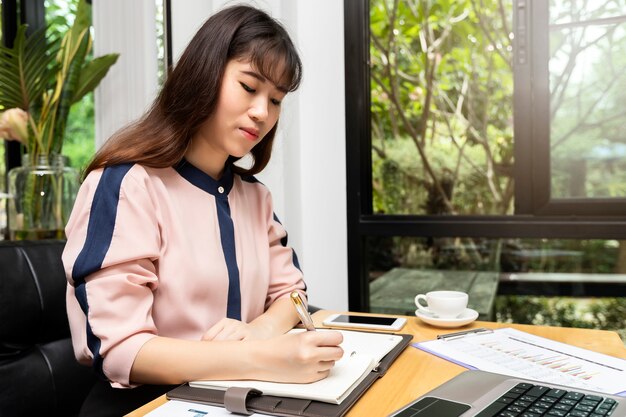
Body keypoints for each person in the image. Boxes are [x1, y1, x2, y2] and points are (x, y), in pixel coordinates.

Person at [62, 5, 344, 416]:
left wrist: (258, 332)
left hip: (240, 397)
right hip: (148, 403)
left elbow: (294, 295)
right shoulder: (127, 184)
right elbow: (122, 351)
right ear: (205, 74)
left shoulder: (255, 197)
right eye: (249, 87)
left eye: (276, 100)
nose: (263, 113)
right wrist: (266, 358)